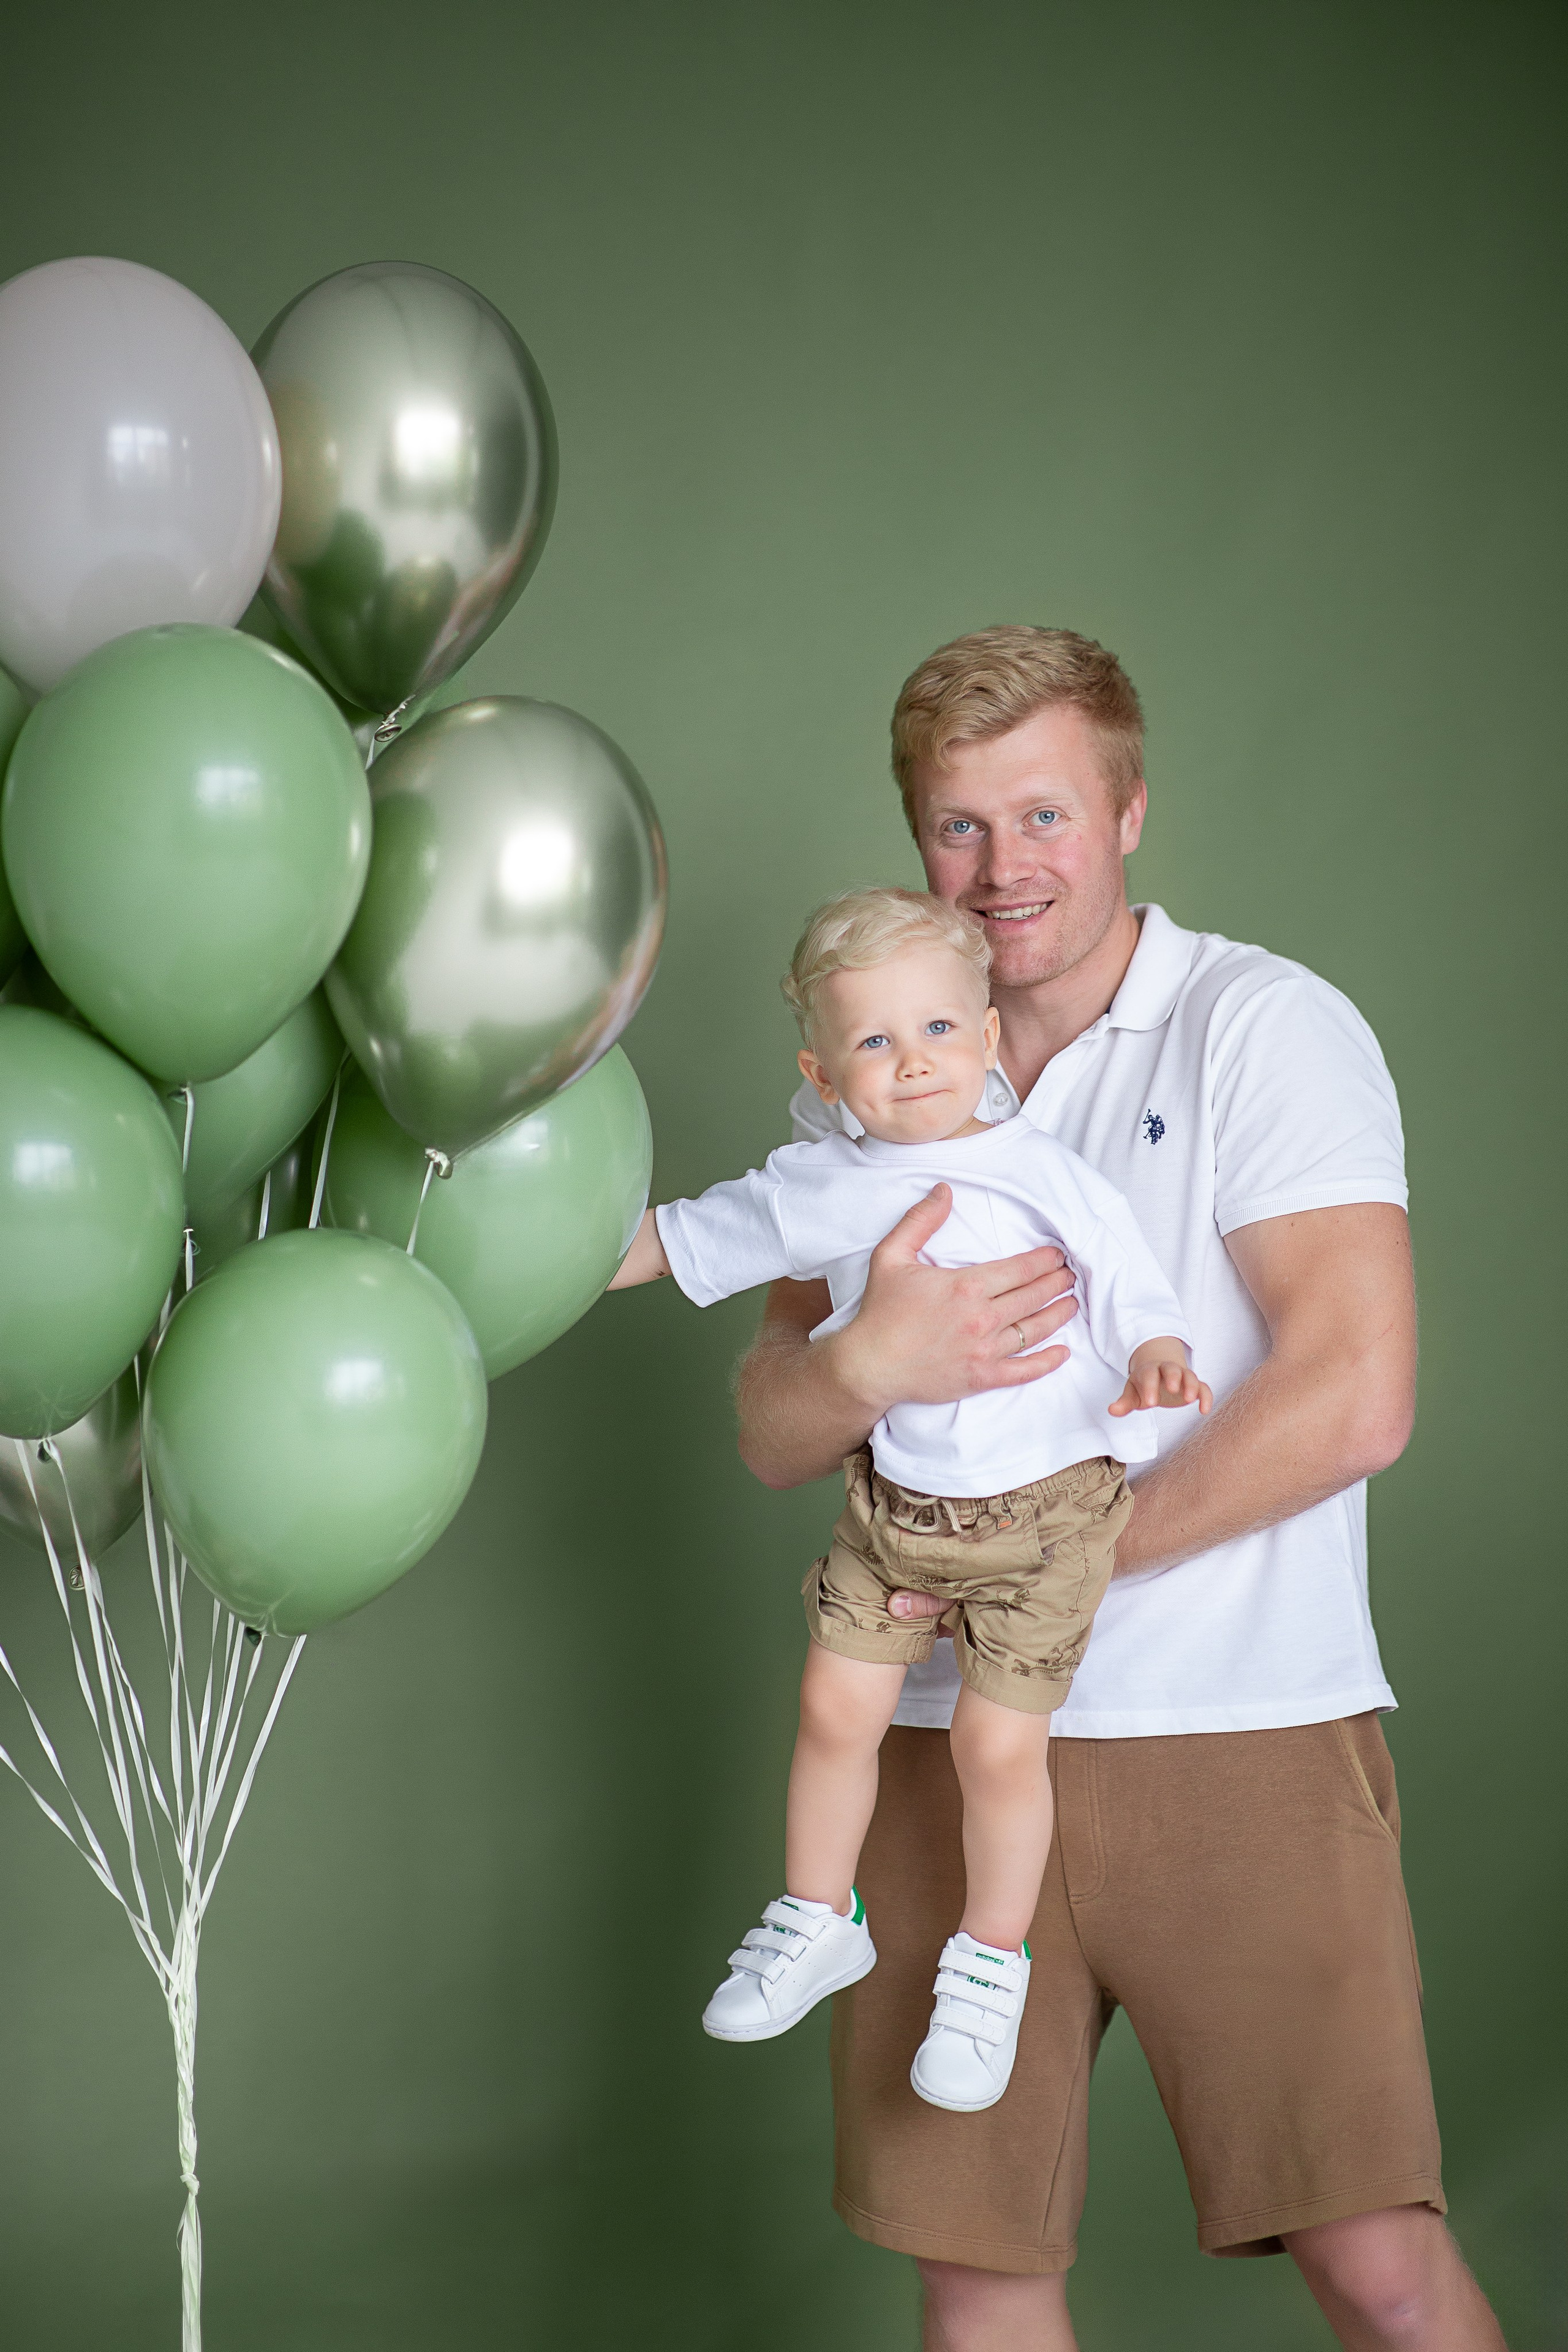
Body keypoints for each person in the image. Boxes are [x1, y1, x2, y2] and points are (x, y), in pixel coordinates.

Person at [731, 629, 1504, 2351]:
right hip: (936, 1750)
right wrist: (867, 1363)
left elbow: (1354, 1390)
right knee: (980, 2280)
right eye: (957, 827)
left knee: (1374, 2266)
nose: (1004, 871)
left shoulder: (1259, 1027)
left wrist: (1041, 1577)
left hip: (1241, 1732)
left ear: (1130, 809)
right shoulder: (879, 1072)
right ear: (916, 842)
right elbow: (774, 1432)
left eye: (1046, 814)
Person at [611, 886, 1209, 2111]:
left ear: (989, 1040)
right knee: (834, 1711)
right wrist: (508, 1258)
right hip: (897, 1513)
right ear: (822, 1074)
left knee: (997, 1748)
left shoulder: (1043, 1171)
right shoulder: (816, 1185)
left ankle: (989, 1962)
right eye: (873, 1043)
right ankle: (819, 1916)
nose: (912, 1063)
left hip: (1046, 1517)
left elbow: (1132, 1283)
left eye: (938, 1031)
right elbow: (671, 1240)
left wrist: (1152, 1352)